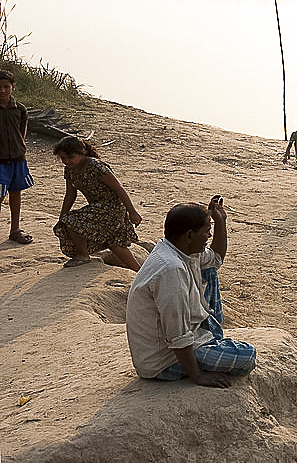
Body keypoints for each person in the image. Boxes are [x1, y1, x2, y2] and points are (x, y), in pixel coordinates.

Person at [126, 199, 256, 386]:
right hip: (163, 361)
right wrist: (197, 376)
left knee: (209, 271)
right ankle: (200, 357)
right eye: (206, 233)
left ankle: (210, 343)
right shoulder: (170, 269)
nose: (209, 236)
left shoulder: (180, 250)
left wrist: (221, 222)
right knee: (247, 356)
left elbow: (216, 258)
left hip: (186, 336)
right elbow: (177, 334)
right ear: (189, 235)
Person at [53, 136, 142, 271]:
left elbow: (118, 188)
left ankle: (83, 255)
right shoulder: (70, 169)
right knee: (113, 242)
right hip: (98, 207)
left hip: (112, 208)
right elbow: (71, 194)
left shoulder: (96, 166)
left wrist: (132, 211)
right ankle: (139, 272)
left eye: (69, 157)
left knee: (72, 221)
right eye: (62, 158)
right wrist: (62, 215)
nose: (66, 161)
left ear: (81, 153)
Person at [0, 70, 34, 245]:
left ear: (13, 87)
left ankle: (15, 229)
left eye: (7, 87)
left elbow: (22, 133)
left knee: (15, 193)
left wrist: (19, 149)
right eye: (0, 87)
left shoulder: (19, 109)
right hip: (0, 161)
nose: (3, 91)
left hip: (17, 159)